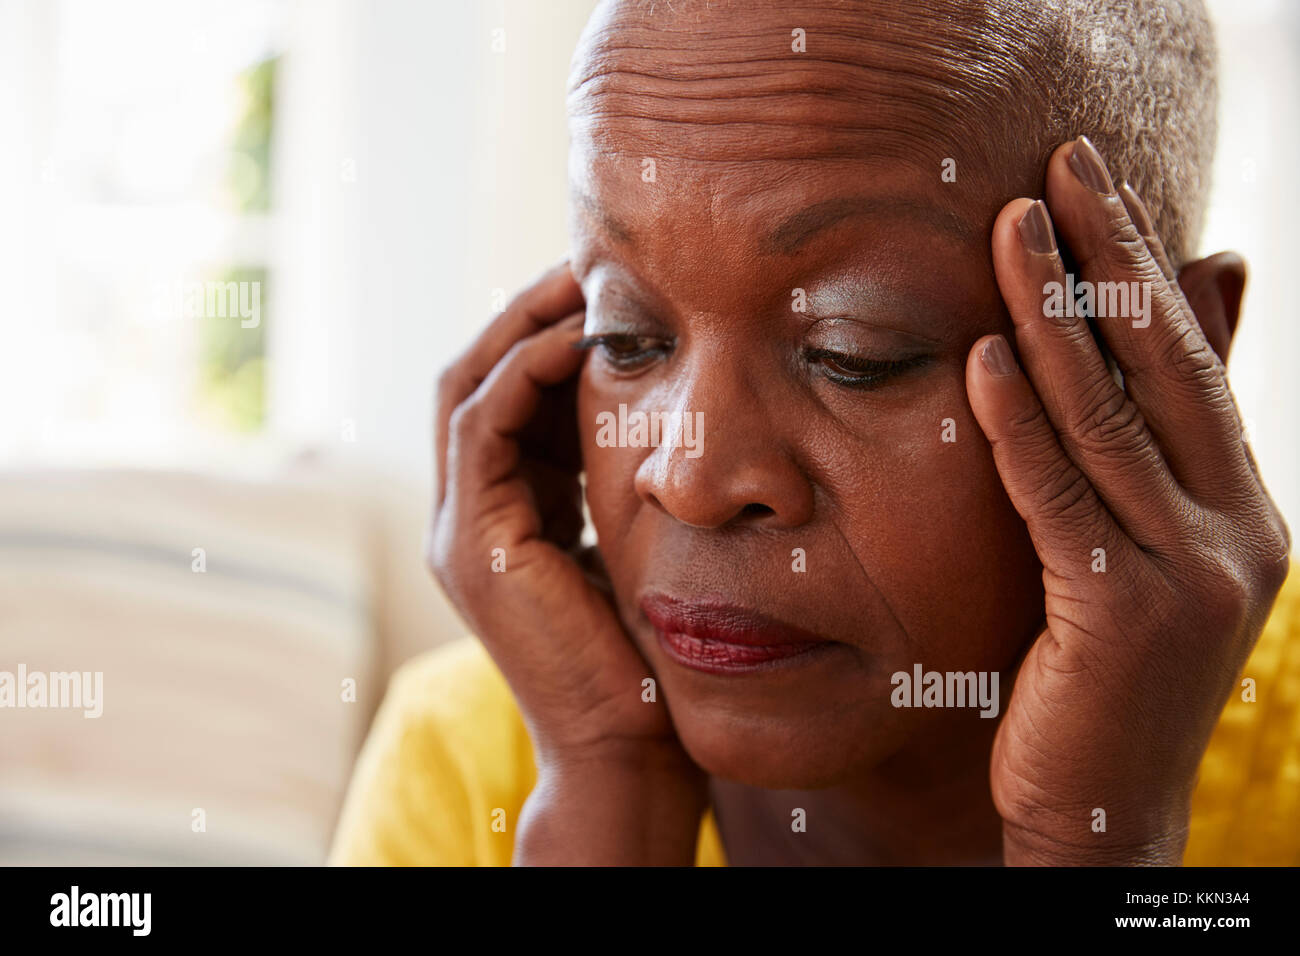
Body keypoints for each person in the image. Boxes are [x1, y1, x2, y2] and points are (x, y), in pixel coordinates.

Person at [329, 0, 1297, 865]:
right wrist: (606, 795)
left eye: (852, 351)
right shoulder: (471, 765)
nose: (691, 476)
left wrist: (1095, 845)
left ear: (1174, 348)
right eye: (626, 336)